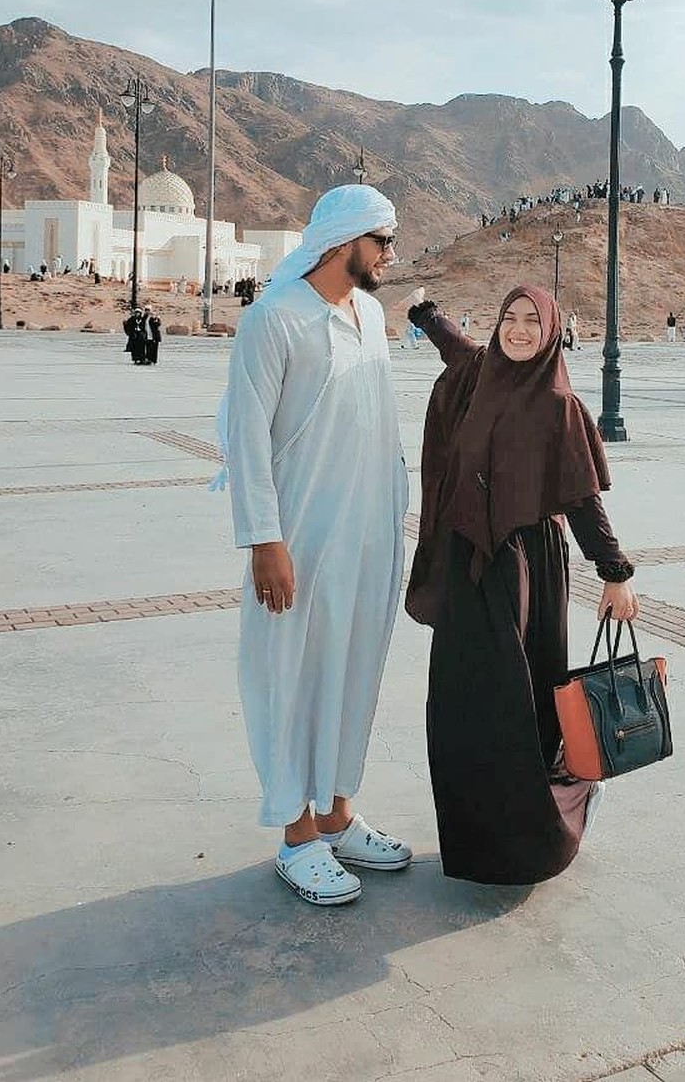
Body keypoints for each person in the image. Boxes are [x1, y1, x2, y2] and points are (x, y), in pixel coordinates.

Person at [406, 284, 638, 886]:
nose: (517, 329)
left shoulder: (558, 405)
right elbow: (454, 349)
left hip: (526, 572)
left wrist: (614, 573)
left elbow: (582, 501)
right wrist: (426, 313)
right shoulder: (480, 375)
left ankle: (530, 844)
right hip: (467, 567)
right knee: (461, 709)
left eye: (532, 321)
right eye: (509, 316)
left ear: (553, 331)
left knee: (519, 708)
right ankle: (476, 846)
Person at [219, 184, 411, 907]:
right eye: (382, 241)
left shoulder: (369, 313)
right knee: (291, 676)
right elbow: (247, 438)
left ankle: (335, 813)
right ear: (344, 243)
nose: (390, 254)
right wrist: (264, 541)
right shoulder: (274, 321)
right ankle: (297, 835)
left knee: (351, 670)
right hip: (298, 537)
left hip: (367, 536)